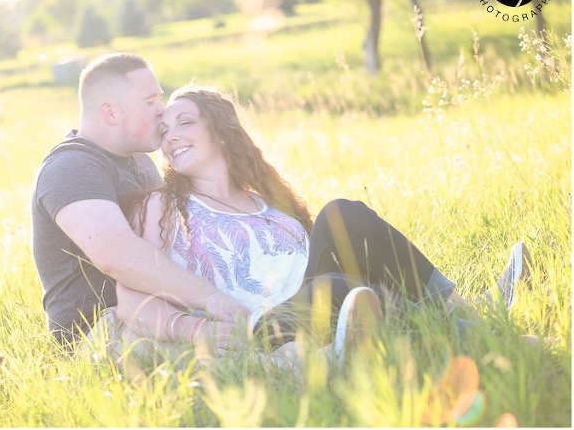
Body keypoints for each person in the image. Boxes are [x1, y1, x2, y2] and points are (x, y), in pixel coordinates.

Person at [112, 85, 530, 361]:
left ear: (220, 131)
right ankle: (495, 340)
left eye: (185, 122)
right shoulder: (163, 206)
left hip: (327, 295)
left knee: (342, 216)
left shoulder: (267, 202)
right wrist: (193, 331)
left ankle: (471, 316)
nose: (170, 136)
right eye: (164, 131)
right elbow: (130, 296)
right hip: (268, 325)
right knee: (336, 288)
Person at [31, 53, 249, 346]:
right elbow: (117, 255)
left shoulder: (139, 160)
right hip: (100, 330)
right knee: (241, 358)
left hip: (156, 313)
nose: (161, 111)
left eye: (160, 99)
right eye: (150, 101)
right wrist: (212, 299)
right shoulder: (71, 167)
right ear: (110, 113)